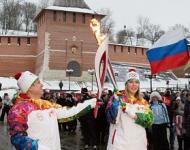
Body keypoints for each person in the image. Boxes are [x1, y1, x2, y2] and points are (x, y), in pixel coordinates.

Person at [7, 71, 97, 150]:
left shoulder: (47, 105)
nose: (42, 85)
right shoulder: (18, 110)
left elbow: (69, 113)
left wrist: (92, 103)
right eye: (38, 83)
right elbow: (17, 137)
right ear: (30, 88)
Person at [106, 68, 154, 150]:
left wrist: (135, 116)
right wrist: (115, 102)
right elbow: (111, 118)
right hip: (119, 144)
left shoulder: (143, 102)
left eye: (136, 82)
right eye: (131, 82)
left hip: (138, 143)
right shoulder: (118, 98)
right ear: (126, 84)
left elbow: (149, 121)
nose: (134, 85)